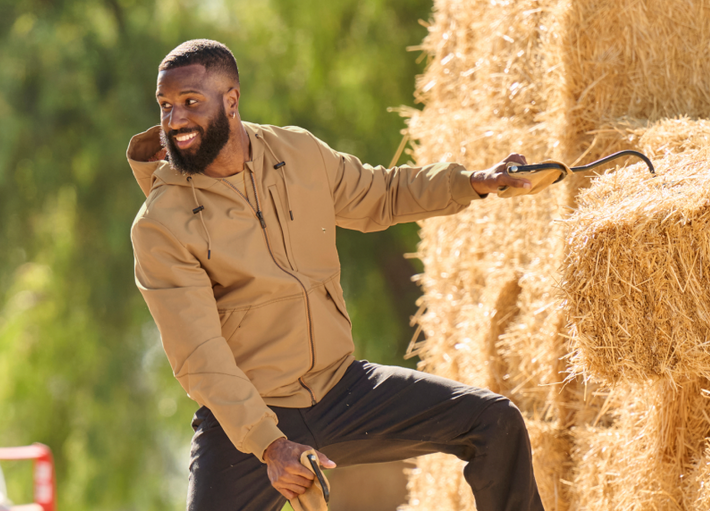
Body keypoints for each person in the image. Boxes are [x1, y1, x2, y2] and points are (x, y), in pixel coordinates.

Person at [127, 39, 544, 511]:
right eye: (165, 106)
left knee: (494, 421)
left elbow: (382, 193)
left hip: (343, 391)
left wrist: (473, 182)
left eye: (190, 103)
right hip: (249, 418)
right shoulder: (160, 224)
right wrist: (269, 443)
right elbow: (199, 355)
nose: (174, 119)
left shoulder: (297, 153)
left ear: (231, 100)